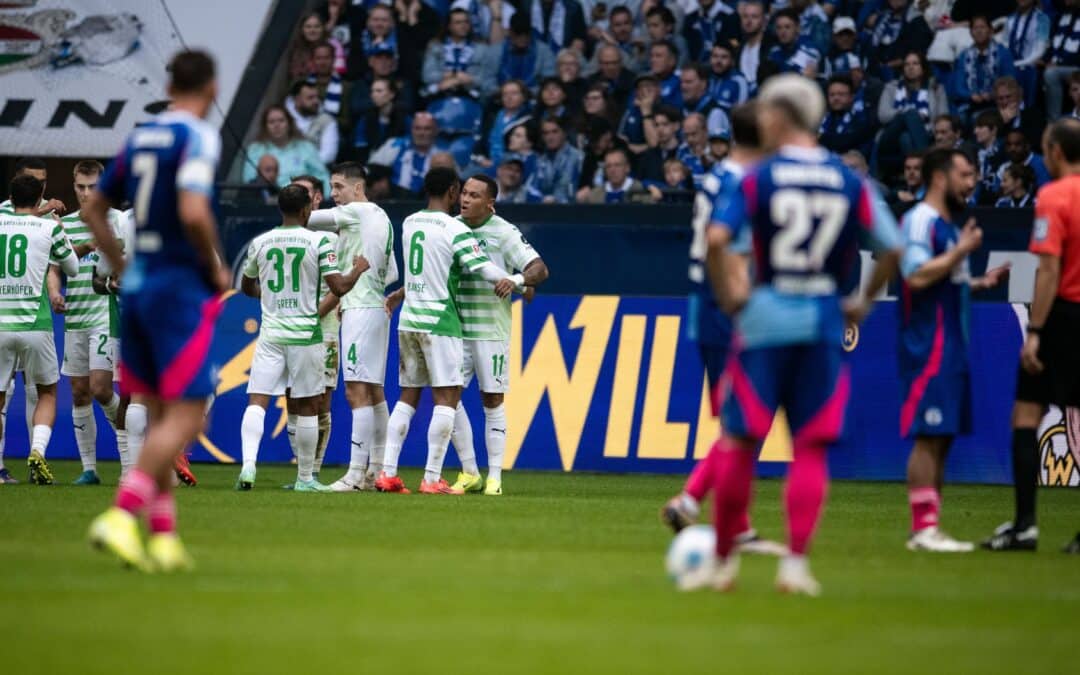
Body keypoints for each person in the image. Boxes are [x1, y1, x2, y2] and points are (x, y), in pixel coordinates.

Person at [699, 75, 902, 595]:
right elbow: (893, 247)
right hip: (824, 319)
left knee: (742, 440)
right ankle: (795, 566)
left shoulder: (757, 178)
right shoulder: (848, 179)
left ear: (779, 117)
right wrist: (861, 303)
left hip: (766, 315)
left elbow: (718, 238)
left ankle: (723, 566)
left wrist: (730, 297)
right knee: (810, 446)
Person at [86, 50, 231, 573]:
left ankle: (163, 538)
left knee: (158, 410)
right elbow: (192, 210)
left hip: (138, 287)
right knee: (189, 414)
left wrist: (122, 263)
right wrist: (214, 268)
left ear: (170, 84)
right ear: (212, 90)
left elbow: (92, 209)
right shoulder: (198, 135)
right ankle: (122, 515)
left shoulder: (142, 135)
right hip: (176, 289)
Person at [662, 102, 785, 559]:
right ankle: (705, 507)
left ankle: (710, 508)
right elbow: (726, 246)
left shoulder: (718, 176)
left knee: (746, 418)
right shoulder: (743, 181)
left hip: (709, 302)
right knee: (748, 417)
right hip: (729, 304)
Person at [379, 167, 523, 494]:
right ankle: (431, 478)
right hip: (440, 321)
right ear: (453, 190)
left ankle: (387, 473)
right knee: (447, 398)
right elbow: (481, 266)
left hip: (409, 320)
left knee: (407, 397)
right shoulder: (453, 228)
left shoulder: (411, 221)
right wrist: (511, 280)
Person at [898, 147, 1010, 552]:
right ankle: (922, 530)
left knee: (942, 436)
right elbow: (914, 276)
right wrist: (961, 252)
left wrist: (979, 282)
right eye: (964, 174)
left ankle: (931, 526)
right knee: (929, 436)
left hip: (951, 344)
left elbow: (945, 279)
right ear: (941, 177)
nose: (971, 182)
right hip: (928, 344)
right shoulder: (920, 222)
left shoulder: (945, 226)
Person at [983, 118, 1080, 553]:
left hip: (1062, 315)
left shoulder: (1053, 196)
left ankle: (1025, 526)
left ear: (1056, 151)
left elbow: (1048, 269)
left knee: (1026, 414)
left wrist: (1036, 330)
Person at [236, 184, 369, 491]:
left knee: (258, 400)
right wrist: (358, 270)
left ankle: (248, 466)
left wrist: (267, 295)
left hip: (271, 333)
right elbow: (338, 288)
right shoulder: (320, 241)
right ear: (307, 209)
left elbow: (246, 286)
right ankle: (305, 478)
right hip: (305, 333)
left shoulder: (261, 242)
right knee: (308, 406)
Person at [444, 174, 549, 494]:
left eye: (474, 195)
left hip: (491, 331)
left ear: (490, 203)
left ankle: (495, 478)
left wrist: (517, 281)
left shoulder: (504, 232)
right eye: (463, 192)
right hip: (455, 329)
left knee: (492, 400)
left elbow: (540, 269)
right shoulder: (451, 227)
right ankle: (469, 470)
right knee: (446, 398)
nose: (465, 199)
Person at [304, 163, 399, 491]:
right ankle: (377, 469)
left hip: (360, 310)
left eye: (338, 187)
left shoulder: (355, 211)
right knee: (373, 391)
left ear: (358, 188)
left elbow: (305, 219)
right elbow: (392, 273)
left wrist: (304, 204)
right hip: (373, 308)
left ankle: (356, 474)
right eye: (331, 188)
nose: (333, 195)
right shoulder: (380, 217)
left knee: (355, 391)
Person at [0, 174, 80, 485]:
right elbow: (72, 268)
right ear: (41, 198)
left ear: (11, 197)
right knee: (46, 391)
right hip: (36, 323)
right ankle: (37, 451)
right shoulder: (49, 227)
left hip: (0, 323)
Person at [60, 160, 125, 486]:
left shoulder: (117, 221)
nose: (86, 193)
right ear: (73, 186)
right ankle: (90, 469)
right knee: (79, 392)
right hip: (76, 318)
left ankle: (132, 447)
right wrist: (55, 291)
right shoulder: (66, 225)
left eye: (93, 187)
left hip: (106, 315)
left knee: (101, 388)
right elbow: (55, 265)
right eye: (80, 187)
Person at [243, 105, 329, 190]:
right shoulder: (255, 149)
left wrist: (318, 199)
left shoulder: (306, 147)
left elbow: (323, 177)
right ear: (265, 126)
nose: (277, 125)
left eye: (281, 120)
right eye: (271, 122)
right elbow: (249, 180)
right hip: (268, 201)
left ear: (289, 123)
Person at [422, 8, 496, 101]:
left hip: (472, 95)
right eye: (458, 22)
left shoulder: (481, 49)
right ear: (449, 26)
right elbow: (427, 76)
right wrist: (453, 75)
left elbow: (486, 79)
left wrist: (469, 80)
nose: (463, 26)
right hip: (441, 92)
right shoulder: (436, 47)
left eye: (466, 22)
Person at [950, 16, 1016, 121]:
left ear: (990, 31)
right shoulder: (964, 56)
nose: (979, 31)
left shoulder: (1003, 53)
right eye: (975, 28)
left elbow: (1010, 81)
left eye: (982, 27)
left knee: (979, 118)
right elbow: (959, 86)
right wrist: (971, 96)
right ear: (971, 33)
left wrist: (992, 94)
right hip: (970, 102)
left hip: (997, 102)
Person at [369, 112, 444, 195]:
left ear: (435, 131)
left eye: (427, 129)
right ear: (411, 129)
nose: (421, 133)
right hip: (395, 198)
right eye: (417, 128)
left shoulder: (443, 153)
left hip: (427, 200)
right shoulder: (395, 144)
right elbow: (373, 168)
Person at [349, 77, 408, 163]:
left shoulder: (404, 118)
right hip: (370, 163)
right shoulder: (366, 118)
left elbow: (408, 143)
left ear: (392, 94)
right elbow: (360, 144)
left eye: (379, 91)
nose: (374, 95)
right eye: (372, 91)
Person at [1002, 0, 1050, 107]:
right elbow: (1004, 45)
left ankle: (1026, 110)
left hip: (1030, 65)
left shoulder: (1042, 19)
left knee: (1026, 71)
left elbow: (1039, 51)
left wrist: (1016, 64)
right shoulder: (1010, 19)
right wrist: (1007, 63)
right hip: (1011, 64)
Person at [526, 117, 583, 203]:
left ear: (564, 133)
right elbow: (531, 188)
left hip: (571, 209)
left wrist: (555, 199)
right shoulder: (540, 160)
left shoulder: (577, 157)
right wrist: (542, 200)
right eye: (546, 133)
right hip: (543, 208)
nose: (550, 137)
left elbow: (571, 186)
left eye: (555, 132)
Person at [818, 74, 875, 158]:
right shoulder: (824, 118)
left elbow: (847, 142)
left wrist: (821, 138)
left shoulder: (862, 116)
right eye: (832, 95)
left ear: (851, 97)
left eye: (841, 94)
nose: (836, 98)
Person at [286, 80, 340, 166]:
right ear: (297, 100)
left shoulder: (327, 121)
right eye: (310, 98)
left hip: (315, 172)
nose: (316, 101)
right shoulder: (283, 119)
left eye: (317, 97)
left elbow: (328, 155)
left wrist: (301, 166)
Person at [498, 12, 556, 89]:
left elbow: (549, 80)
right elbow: (488, 79)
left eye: (526, 33)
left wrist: (529, 92)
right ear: (510, 32)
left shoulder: (544, 51)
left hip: (533, 98)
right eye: (518, 34)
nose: (523, 38)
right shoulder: (497, 51)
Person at [1043, 0, 1080, 121]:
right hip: (1058, 65)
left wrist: (1059, 64)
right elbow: (1050, 45)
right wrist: (1045, 60)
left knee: (1051, 73)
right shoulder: (1059, 17)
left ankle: (1053, 122)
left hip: (1075, 66)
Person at [578, 147, 654, 203]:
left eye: (617, 165)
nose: (612, 170)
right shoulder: (594, 195)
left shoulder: (642, 191)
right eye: (608, 166)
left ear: (627, 168)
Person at [765, 8, 821, 78]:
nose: (783, 32)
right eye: (779, 28)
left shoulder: (810, 51)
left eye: (787, 27)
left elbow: (806, 80)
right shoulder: (774, 52)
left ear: (798, 28)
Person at [993, 76, 1046, 149]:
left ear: (1018, 95)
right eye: (1000, 98)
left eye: (1008, 97)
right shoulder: (994, 118)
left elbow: (1034, 143)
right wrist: (1005, 122)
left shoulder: (1034, 114)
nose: (1004, 102)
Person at [734, 0, 773, 91]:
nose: (749, 21)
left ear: (764, 20)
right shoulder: (738, 49)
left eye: (754, 17)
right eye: (745, 16)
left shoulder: (771, 47)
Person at [707, 42, 750, 113]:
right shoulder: (706, 78)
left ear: (732, 61)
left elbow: (742, 110)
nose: (718, 61)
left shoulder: (738, 81)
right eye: (715, 56)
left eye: (724, 57)